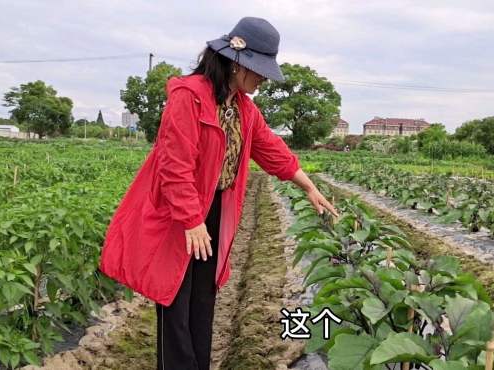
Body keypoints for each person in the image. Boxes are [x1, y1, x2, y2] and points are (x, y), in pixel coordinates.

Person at [99, 16, 338, 370]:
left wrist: (309, 187)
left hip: (212, 212)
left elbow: (270, 147)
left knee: (203, 298)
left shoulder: (242, 107)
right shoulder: (189, 96)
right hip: (180, 215)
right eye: (258, 70)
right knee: (175, 300)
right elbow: (174, 163)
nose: (262, 79)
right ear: (236, 61)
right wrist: (191, 220)